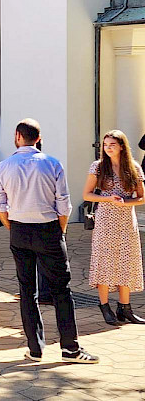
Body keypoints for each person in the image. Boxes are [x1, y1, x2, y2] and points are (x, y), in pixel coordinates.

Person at [0, 118, 98, 364]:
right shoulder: (52, 163)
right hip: (48, 228)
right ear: (38, 138)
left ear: (18, 136)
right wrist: (60, 230)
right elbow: (64, 203)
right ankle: (70, 348)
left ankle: (35, 348)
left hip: (19, 229)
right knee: (61, 289)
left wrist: (12, 226)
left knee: (27, 290)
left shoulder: (4, 166)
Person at [83, 130, 145, 326]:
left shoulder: (133, 167)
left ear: (121, 146)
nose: (108, 148)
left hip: (127, 221)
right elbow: (87, 195)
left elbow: (141, 197)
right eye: (105, 145)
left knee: (126, 261)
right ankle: (105, 306)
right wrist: (108, 198)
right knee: (105, 262)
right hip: (105, 221)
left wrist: (126, 203)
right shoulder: (99, 167)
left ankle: (125, 308)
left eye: (112, 144)